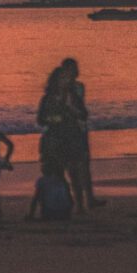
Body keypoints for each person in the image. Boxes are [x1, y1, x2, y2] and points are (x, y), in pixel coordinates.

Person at [37, 66, 89, 213]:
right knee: (57, 173)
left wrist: (73, 110)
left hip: (72, 137)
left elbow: (84, 115)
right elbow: (41, 120)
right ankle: (65, 201)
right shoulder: (48, 98)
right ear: (55, 80)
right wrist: (55, 119)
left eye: (68, 78)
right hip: (54, 138)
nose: (66, 81)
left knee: (74, 172)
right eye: (63, 78)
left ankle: (80, 205)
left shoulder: (73, 97)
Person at [60, 58, 106, 208]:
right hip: (69, 130)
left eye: (76, 68)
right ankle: (79, 199)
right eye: (73, 68)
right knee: (72, 165)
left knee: (84, 163)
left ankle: (89, 198)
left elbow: (79, 108)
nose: (76, 71)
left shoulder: (78, 87)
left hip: (79, 128)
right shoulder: (61, 88)